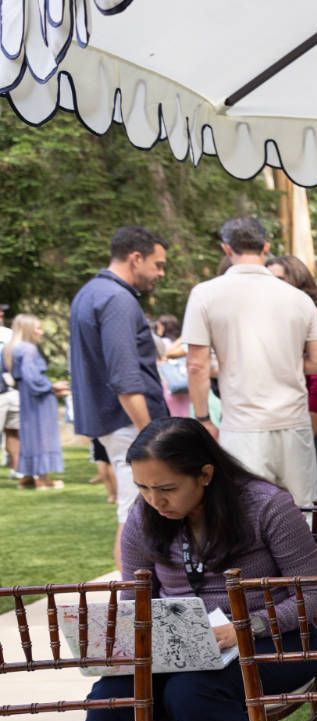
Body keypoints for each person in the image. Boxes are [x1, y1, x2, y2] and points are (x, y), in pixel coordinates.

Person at [83, 418, 317, 721]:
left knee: (193, 691)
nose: (154, 500)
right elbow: (135, 600)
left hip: (277, 640)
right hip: (184, 647)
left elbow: (313, 596)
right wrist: (126, 642)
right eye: (143, 488)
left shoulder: (267, 505)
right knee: (108, 698)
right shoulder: (143, 516)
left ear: (206, 474)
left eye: (166, 488)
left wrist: (243, 628)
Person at [180, 217, 317, 508]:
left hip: (242, 425)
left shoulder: (205, 294)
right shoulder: (298, 298)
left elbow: (196, 365)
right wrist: (283, 362)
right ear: (266, 247)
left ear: (227, 249)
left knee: (247, 514)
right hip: (294, 422)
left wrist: (203, 418)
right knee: (303, 513)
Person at [69, 226, 171, 570]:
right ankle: (132, 595)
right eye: (158, 265)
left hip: (112, 421)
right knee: (135, 513)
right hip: (128, 422)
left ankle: (138, 593)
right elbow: (125, 377)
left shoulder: (89, 292)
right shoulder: (117, 298)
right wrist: (150, 435)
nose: (160, 273)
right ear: (136, 258)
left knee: (135, 510)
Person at [264, 254, 317, 576]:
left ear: (298, 280)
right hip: (291, 424)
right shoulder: (280, 320)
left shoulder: (315, 318)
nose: (272, 286)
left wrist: (305, 431)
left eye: (279, 279)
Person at [3, 315, 70, 489]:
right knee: (42, 436)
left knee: (30, 436)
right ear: (27, 330)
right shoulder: (28, 349)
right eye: (37, 328)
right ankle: (43, 480)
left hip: (26, 399)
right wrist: (53, 386)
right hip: (39, 400)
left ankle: (27, 478)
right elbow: (32, 377)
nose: (41, 332)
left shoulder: (13, 349)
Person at [153, 313, 191, 419]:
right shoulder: (182, 342)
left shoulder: (163, 342)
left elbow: (165, 353)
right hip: (185, 382)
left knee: (174, 416)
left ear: (163, 327)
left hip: (170, 385)